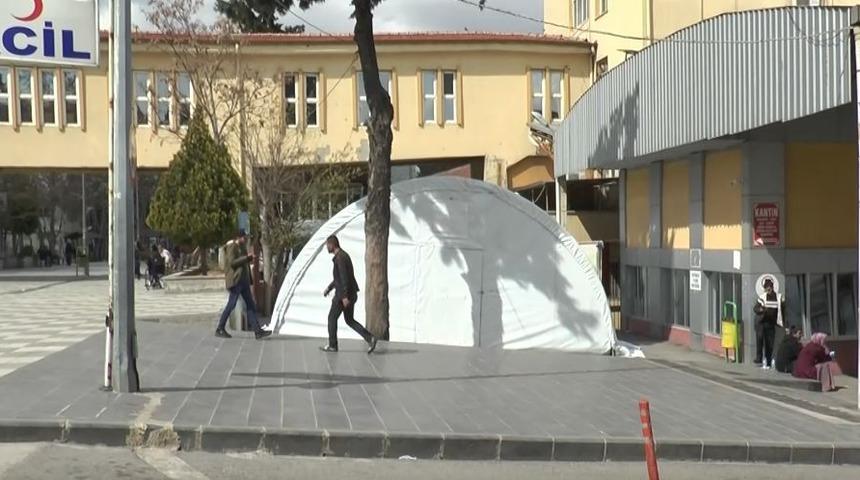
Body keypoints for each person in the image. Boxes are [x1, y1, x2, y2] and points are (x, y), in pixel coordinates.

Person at [320, 235, 378, 354]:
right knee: (349, 320)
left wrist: (344, 296)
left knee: (332, 318)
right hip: (349, 294)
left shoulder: (340, 258)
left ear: (332, 244)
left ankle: (333, 345)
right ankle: (370, 338)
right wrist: (329, 288)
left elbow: (344, 278)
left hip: (343, 296)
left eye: (327, 245)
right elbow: (339, 278)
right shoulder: (342, 256)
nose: (326, 247)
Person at [215, 230, 271, 340]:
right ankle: (220, 328)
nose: (245, 239)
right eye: (243, 237)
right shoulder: (232, 247)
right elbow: (232, 263)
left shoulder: (242, 247)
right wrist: (247, 258)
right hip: (236, 281)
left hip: (243, 280)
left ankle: (257, 331)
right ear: (238, 237)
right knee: (231, 304)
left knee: (251, 305)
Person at [754, 278, 783, 369]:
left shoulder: (778, 297)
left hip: (771, 324)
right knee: (760, 340)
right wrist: (761, 310)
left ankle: (768, 361)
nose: (768, 289)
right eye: (767, 287)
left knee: (769, 344)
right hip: (762, 323)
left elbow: (783, 310)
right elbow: (756, 308)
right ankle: (759, 358)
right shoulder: (762, 297)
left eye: (770, 287)